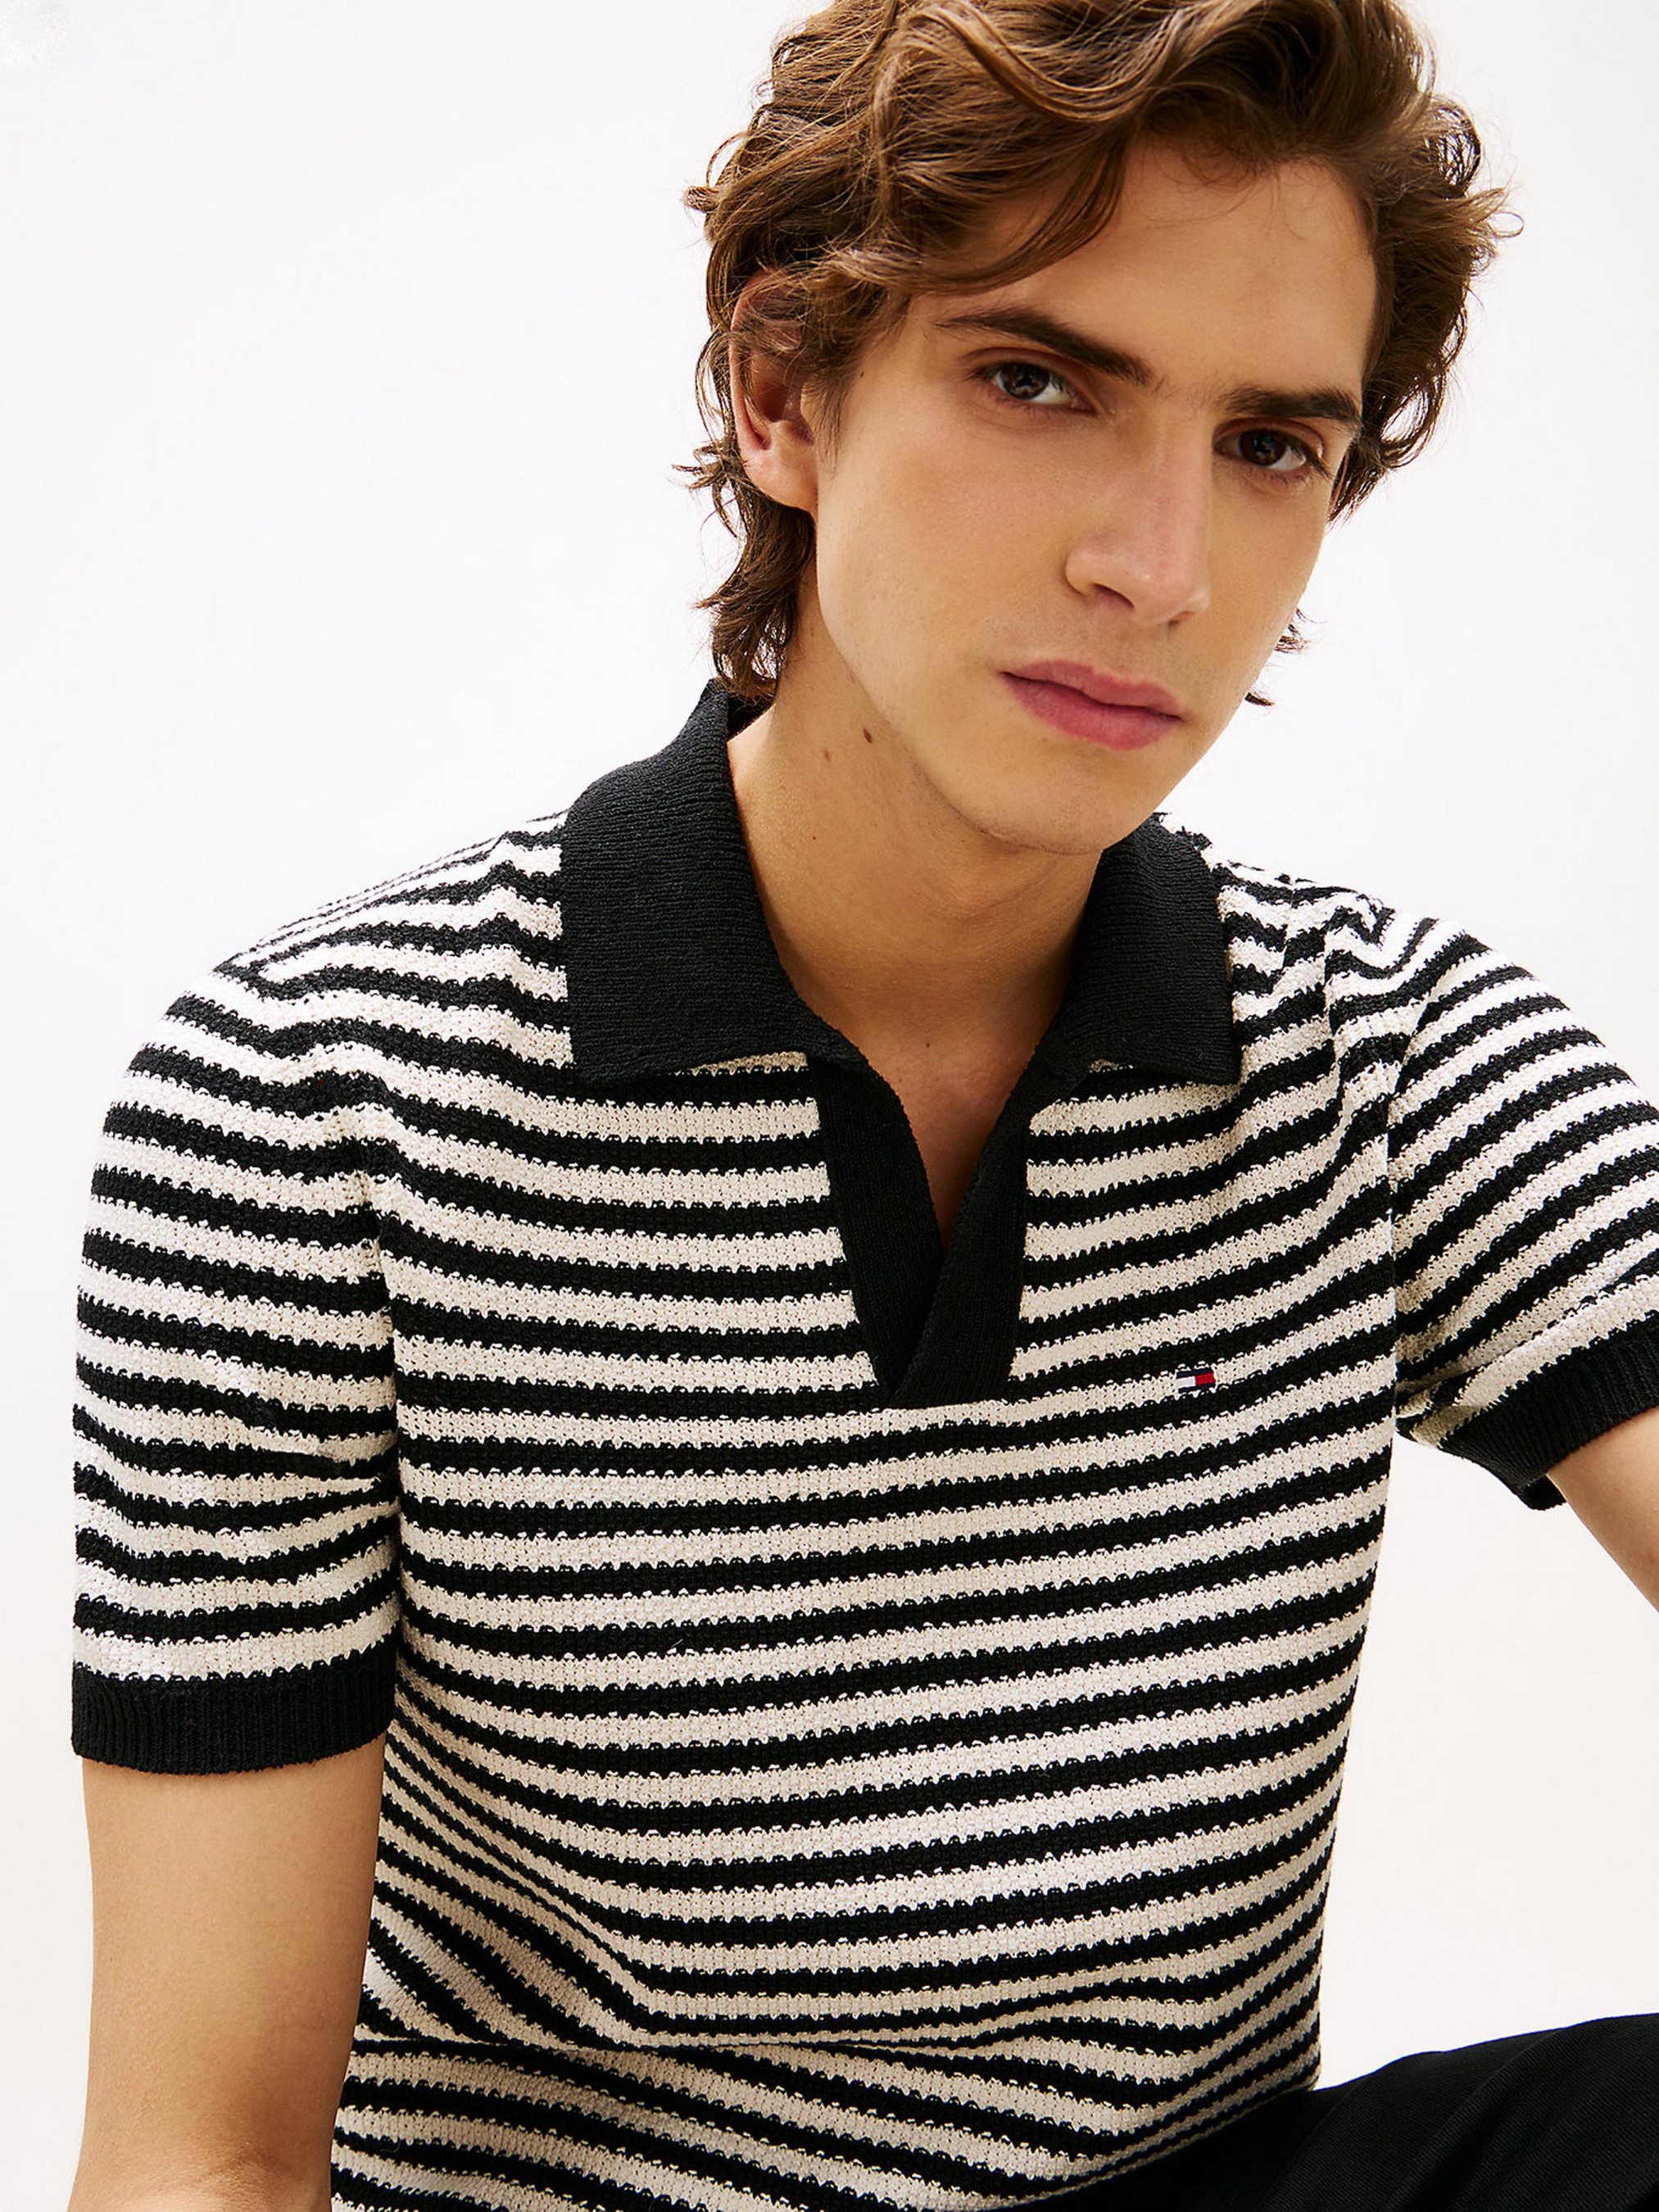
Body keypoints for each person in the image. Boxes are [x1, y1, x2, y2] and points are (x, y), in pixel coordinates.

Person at [66, 2, 1659, 2208]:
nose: (1158, 566)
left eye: (1268, 445)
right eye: (1037, 383)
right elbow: (197, 2152)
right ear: (783, 393)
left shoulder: (1388, 1055)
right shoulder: (310, 1103)